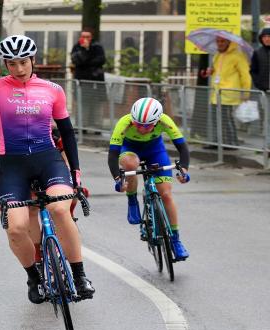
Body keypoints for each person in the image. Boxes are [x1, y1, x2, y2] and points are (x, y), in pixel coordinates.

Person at [0, 7, 95, 304]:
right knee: (16, 228)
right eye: (12, 64)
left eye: (23, 62)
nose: (18, 69)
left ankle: (79, 275)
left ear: (33, 61)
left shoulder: (52, 90)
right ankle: (34, 279)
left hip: (47, 158)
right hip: (13, 164)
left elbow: (66, 132)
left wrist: (76, 172)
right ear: (5, 64)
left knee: (59, 209)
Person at [107, 97, 190, 261]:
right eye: (138, 124)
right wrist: (118, 178)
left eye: (147, 126)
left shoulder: (165, 121)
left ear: (157, 120)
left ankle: (176, 240)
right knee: (131, 164)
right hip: (129, 149)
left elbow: (182, 147)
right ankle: (132, 200)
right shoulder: (124, 123)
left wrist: (184, 169)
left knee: (166, 194)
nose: (142, 129)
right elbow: (113, 154)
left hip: (155, 150)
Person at [204, 36, 251, 147]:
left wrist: (246, 93)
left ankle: (231, 142)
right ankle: (216, 142)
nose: (220, 44)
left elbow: (245, 76)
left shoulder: (238, 56)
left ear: (229, 42)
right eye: (218, 41)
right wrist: (210, 71)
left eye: (223, 41)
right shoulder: (217, 55)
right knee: (216, 119)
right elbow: (216, 71)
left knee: (226, 119)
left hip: (229, 93)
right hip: (216, 93)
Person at [71, 28, 106, 132]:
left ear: (91, 37)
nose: (85, 39)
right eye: (83, 36)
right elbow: (76, 60)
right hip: (81, 82)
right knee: (82, 105)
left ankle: (97, 127)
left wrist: (86, 60)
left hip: (96, 81)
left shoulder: (97, 46)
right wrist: (84, 50)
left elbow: (101, 60)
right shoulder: (77, 47)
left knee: (96, 105)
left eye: (87, 37)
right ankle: (82, 126)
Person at [251, 28, 270, 92]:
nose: (267, 39)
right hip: (263, 90)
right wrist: (258, 84)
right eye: (264, 37)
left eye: (269, 36)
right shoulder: (257, 52)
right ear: (261, 39)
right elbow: (253, 70)